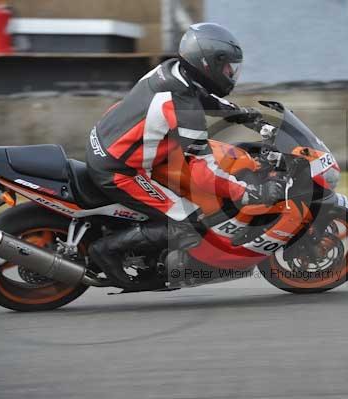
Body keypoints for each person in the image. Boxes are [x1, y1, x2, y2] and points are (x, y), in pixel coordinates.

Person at [86, 23, 283, 288]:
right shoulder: (183, 107)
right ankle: (105, 250)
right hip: (121, 170)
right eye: (227, 67)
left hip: (112, 144)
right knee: (190, 220)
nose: (230, 73)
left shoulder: (171, 72)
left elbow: (201, 97)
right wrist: (245, 192)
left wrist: (241, 114)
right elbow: (203, 169)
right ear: (208, 63)